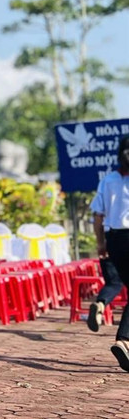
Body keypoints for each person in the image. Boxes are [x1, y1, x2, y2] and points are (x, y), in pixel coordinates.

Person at [87, 134, 129, 373]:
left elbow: (97, 216)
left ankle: (102, 305)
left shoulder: (108, 180)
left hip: (114, 239)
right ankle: (123, 340)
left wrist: (101, 243)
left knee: (116, 281)